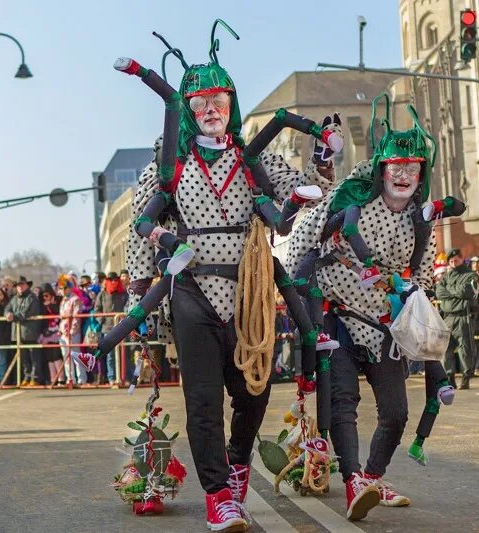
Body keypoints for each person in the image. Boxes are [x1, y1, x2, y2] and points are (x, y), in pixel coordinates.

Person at [123, 24, 340, 529]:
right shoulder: (168, 156)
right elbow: (141, 217)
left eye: (219, 99)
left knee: (253, 392)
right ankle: (218, 494)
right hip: (192, 287)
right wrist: (139, 281)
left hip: (250, 288)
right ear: (187, 109)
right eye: (200, 102)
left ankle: (239, 462)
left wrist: (324, 158)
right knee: (202, 397)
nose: (211, 109)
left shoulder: (252, 154)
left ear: (231, 103)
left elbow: (303, 189)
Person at [286, 98, 446, 520]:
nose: (404, 174)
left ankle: (373, 477)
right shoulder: (349, 197)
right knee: (342, 401)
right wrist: (297, 292)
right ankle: (353, 478)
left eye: (413, 167)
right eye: (397, 166)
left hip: (383, 324)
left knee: (395, 412)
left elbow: (425, 276)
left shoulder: (420, 220)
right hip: (336, 313)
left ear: (422, 173)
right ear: (381, 169)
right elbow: (304, 236)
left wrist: (413, 300)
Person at [436, 248, 479, 389]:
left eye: (456, 260)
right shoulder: (447, 276)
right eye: (451, 261)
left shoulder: (470, 275)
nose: (454, 263)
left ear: (462, 259)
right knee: (446, 349)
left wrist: (451, 290)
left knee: (465, 348)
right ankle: (450, 377)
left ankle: (466, 377)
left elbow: (466, 291)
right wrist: (456, 291)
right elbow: (439, 292)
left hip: (463, 316)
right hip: (448, 316)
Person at [5, 276, 43, 386]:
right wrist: (7, 314)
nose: (20, 287)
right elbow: (7, 308)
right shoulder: (14, 298)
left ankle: (35, 378)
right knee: (24, 357)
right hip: (18, 333)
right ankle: (27, 377)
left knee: (34, 356)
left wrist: (13, 316)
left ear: (27, 285)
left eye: (22, 284)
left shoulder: (32, 297)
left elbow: (27, 313)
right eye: (18, 285)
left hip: (30, 332)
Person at [96, 272, 127, 386]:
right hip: (107, 328)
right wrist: (102, 320)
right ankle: (111, 378)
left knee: (124, 353)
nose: (113, 281)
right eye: (110, 279)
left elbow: (128, 307)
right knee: (110, 355)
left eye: (115, 279)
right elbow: (97, 309)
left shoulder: (124, 294)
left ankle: (125, 377)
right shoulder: (102, 294)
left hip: (122, 328)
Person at [58, 275, 86, 385]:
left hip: (72, 332)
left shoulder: (76, 299)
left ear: (70, 288)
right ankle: (70, 379)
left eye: (65, 288)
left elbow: (76, 317)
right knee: (66, 357)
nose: (63, 290)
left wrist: (72, 331)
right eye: (61, 288)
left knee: (76, 355)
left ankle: (81, 379)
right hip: (63, 332)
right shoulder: (63, 300)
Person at [38, 284, 63, 385]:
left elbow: (59, 313)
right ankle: (53, 379)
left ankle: (61, 378)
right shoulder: (41, 305)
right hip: (46, 333)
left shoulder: (58, 301)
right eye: (43, 296)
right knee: (49, 357)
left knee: (56, 355)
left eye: (47, 295)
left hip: (57, 331)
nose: (45, 298)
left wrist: (52, 305)